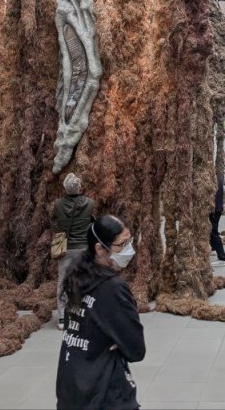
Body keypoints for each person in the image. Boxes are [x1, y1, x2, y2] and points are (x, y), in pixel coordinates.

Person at [56, 215, 145, 410]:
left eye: (129, 241)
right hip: (104, 392)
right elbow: (136, 349)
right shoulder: (113, 288)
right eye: (122, 244)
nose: (129, 249)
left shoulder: (75, 276)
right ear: (99, 248)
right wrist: (117, 340)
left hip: (70, 383)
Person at [54, 173, 95, 329]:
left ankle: (62, 318)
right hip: (83, 248)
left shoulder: (57, 204)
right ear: (79, 187)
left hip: (66, 249)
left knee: (63, 282)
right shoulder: (90, 203)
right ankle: (82, 314)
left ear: (65, 188)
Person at [210, 170, 225, 268]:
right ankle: (213, 248)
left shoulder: (213, 180)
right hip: (217, 208)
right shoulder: (218, 177)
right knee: (212, 231)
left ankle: (222, 258)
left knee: (213, 233)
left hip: (214, 209)